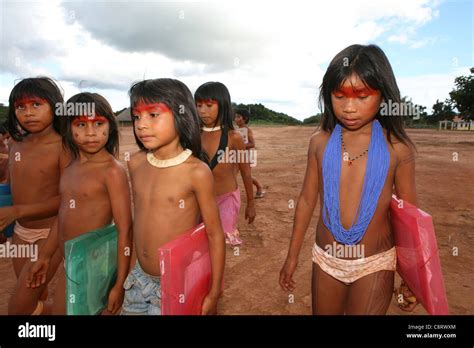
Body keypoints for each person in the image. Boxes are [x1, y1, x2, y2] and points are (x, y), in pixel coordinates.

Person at [279, 44, 418, 314]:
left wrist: (412, 277)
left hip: (374, 263)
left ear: (383, 96)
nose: (349, 107)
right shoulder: (319, 142)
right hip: (326, 260)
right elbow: (307, 200)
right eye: (339, 96)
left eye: (362, 96)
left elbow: (410, 217)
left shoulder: (397, 149)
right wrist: (292, 256)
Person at [123, 78, 225, 315]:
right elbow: (138, 224)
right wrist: (128, 273)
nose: (141, 125)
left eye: (153, 115)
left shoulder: (197, 172)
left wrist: (214, 290)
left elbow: (214, 233)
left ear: (181, 115)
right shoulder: (136, 163)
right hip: (137, 279)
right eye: (137, 116)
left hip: (175, 285)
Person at [25, 92, 132, 315]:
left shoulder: (112, 171)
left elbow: (125, 230)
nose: (90, 133)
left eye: (98, 124)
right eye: (81, 124)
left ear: (110, 127)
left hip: (94, 267)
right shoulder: (70, 168)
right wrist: (45, 256)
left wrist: (119, 284)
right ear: (68, 129)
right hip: (70, 263)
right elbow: (62, 215)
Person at [5, 77, 70, 315]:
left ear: (55, 106)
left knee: (19, 308)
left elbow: (67, 200)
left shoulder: (64, 147)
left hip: (51, 234)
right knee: (35, 298)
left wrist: (17, 211)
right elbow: (11, 188)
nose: (28, 113)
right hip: (21, 233)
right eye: (21, 107)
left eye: (36, 105)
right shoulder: (15, 143)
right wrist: (6, 227)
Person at [195, 82, 255, 246]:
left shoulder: (233, 137)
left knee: (219, 241)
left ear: (222, 105)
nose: (202, 111)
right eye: (198, 105)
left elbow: (246, 172)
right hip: (200, 200)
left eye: (208, 105)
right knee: (200, 241)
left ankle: (217, 272)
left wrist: (251, 203)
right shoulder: (194, 136)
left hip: (226, 198)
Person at [234, 108, 265, 198]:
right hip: (237, 156)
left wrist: (240, 145)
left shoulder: (247, 130)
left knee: (246, 176)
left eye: (238, 117)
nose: (236, 119)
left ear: (245, 119)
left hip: (247, 156)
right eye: (235, 117)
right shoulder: (237, 130)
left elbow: (252, 144)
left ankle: (259, 187)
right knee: (233, 174)